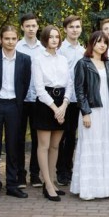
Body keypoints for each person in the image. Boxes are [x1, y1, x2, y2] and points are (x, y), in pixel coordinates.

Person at [70, 31, 109, 200]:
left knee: (105, 146)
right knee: (91, 146)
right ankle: (89, 189)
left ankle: (106, 187)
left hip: (107, 110)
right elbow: (79, 90)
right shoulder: (83, 63)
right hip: (92, 111)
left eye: (105, 42)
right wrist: (85, 112)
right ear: (91, 43)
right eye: (99, 42)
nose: (102, 45)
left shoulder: (108, 64)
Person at [0, 25, 31, 201]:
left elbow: (25, 83)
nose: (10, 42)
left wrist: (17, 102)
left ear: (17, 39)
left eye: (13, 38)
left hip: (14, 106)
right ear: (0, 40)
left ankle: (12, 185)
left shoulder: (25, 59)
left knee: (13, 146)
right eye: (7, 38)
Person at [32, 25, 74, 202]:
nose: (54, 40)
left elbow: (69, 84)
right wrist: (55, 108)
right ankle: (47, 184)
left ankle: (52, 181)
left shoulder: (63, 59)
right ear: (45, 39)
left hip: (62, 103)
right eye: (51, 37)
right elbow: (39, 89)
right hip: (45, 104)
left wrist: (64, 105)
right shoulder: (38, 59)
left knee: (56, 146)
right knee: (44, 145)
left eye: (57, 37)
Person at [16, 12, 45, 188]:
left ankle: (35, 174)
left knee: (38, 138)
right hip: (20, 99)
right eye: (28, 26)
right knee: (18, 138)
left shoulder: (43, 48)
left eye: (34, 25)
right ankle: (20, 174)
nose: (31, 29)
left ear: (37, 27)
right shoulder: (17, 46)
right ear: (22, 27)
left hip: (39, 100)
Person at [56, 15, 85, 187]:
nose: (75, 30)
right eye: (71, 27)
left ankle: (69, 167)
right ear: (65, 29)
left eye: (77, 27)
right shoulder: (60, 49)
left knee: (72, 136)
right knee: (61, 136)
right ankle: (61, 170)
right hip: (63, 99)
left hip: (78, 100)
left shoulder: (83, 50)